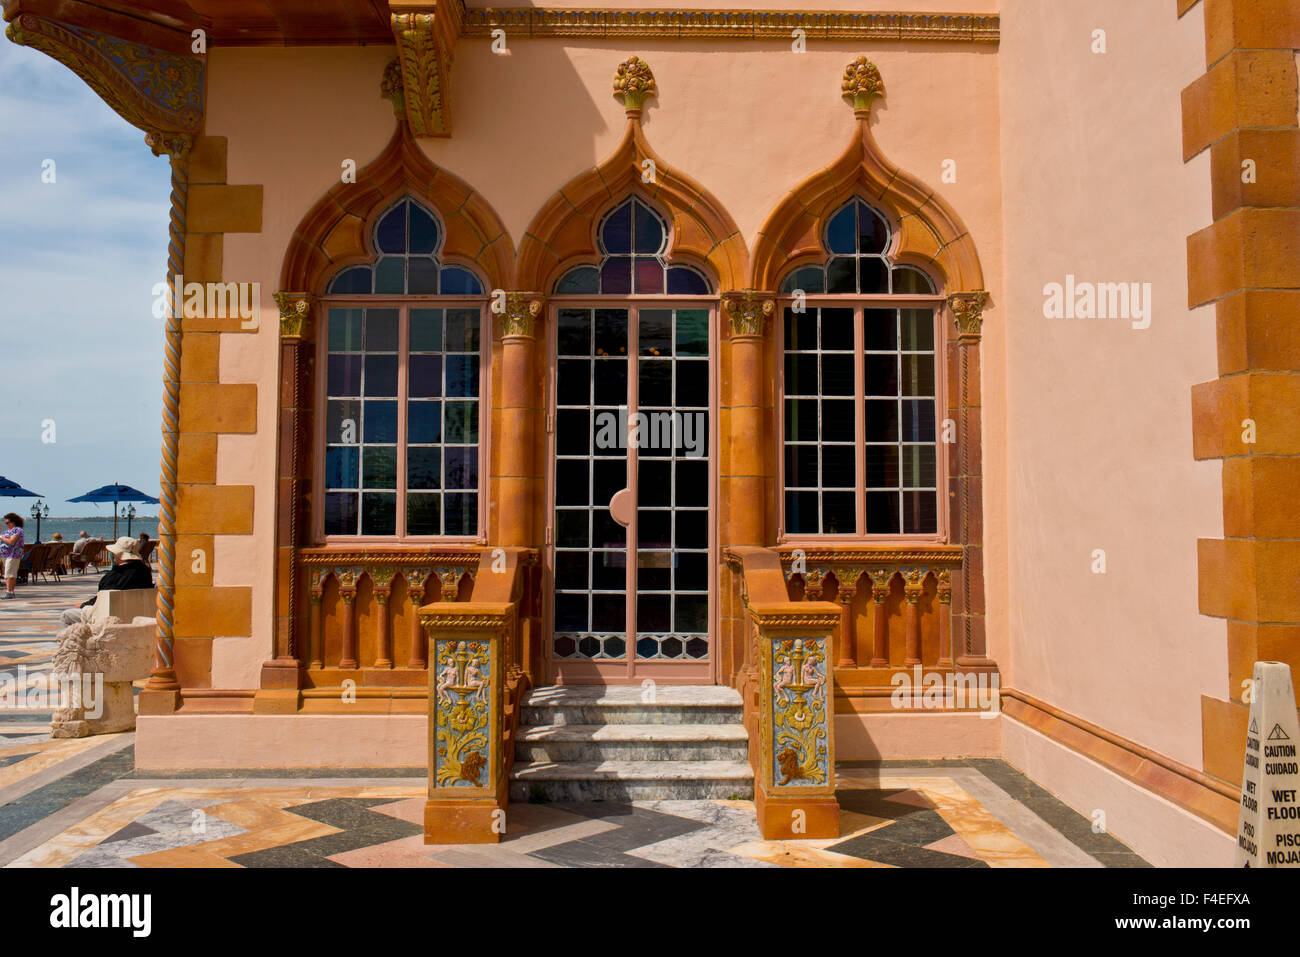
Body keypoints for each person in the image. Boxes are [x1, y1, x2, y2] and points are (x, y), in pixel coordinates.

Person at [59, 536, 153, 625]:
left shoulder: (114, 576)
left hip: (108, 617)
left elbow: (101, 599)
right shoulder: (145, 572)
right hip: (136, 616)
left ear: (118, 555)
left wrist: (82, 605)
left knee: (66, 615)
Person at [0, 514, 24, 600]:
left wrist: (1, 537)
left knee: (9, 573)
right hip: (5, 555)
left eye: (8, 522)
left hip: (13, 554)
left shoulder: (17, 530)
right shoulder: (7, 531)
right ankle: (10, 591)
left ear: (14, 522)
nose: (6, 524)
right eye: (5, 523)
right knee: (8, 574)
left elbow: (11, 542)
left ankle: (9, 592)